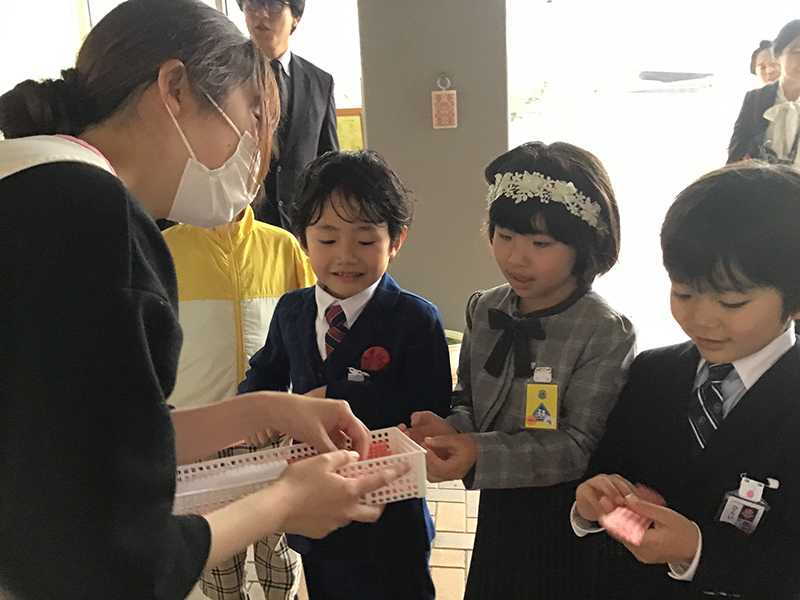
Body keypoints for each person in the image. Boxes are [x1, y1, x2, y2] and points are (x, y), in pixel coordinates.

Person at [0, 2, 402, 599]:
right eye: (252, 114)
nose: (258, 151)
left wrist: (263, 411)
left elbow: (86, 440)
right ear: (175, 89)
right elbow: (119, 561)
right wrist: (284, 501)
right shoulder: (95, 221)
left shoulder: (29, 185)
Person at [403, 141, 636, 599]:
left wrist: (477, 452)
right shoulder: (484, 307)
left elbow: (576, 445)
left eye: (540, 244)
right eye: (504, 236)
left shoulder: (604, 330)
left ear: (585, 244)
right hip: (500, 505)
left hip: (567, 515)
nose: (516, 258)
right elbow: (469, 400)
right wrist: (451, 429)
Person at [573, 163, 800, 600]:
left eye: (732, 303)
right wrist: (592, 501)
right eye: (683, 293)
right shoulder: (653, 372)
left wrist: (697, 551)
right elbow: (610, 466)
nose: (700, 319)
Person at [238, 149, 452, 600]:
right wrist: (249, 411)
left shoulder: (415, 319)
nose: (346, 256)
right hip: (316, 510)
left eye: (366, 240)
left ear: (395, 240)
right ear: (303, 240)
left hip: (390, 514)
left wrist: (330, 396)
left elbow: (429, 410)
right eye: (328, 239)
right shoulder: (292, 310)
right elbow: (266, 371)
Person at [163, 207, 315, 600]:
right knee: (217, 557)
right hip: (201, 434)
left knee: (280, 548)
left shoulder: (281, 246)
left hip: (273, 431)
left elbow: (311, 328)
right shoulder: (163, 249)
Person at [237, 0, 339, 230]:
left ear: (295, 17)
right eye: (252, 3)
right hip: (244, 226)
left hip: (302, 226)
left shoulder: (320, 82)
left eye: (273, 5)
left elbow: (329, 160)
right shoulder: (225, 79)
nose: (262, 13)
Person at [728, 20, 800, 164]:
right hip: (762, 178)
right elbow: (736, 153)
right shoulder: (756, 99)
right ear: (777, 55)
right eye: (796, 52)